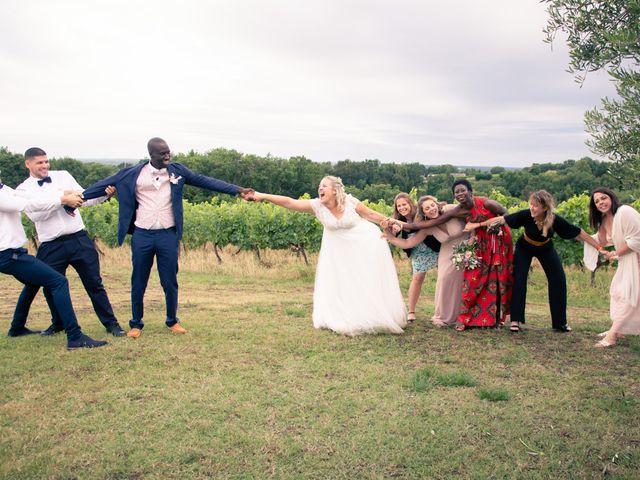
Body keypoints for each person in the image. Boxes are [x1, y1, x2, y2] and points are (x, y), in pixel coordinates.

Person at [81, 137, 255, 338]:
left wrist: (237, 190)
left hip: (168, 235)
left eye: (168, 152)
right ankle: (136, 323)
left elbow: (207, 181)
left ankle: (172, 321)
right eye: (162, 153)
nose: (167, 156)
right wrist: (77, 199)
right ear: (151, 155)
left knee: (169, 280)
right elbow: (102, 185)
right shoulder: (131, 174)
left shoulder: (178, 171)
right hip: (142, 234)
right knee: (138, 280)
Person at [252, 176, 406, 336]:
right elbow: (289, 202)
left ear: (334, 190)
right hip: (338, 254)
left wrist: (394, 222)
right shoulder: (317, 206)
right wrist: (263, 196)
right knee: (344, 283)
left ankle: (374, 312)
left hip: (363, 244)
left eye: (324, 186)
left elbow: (371, 215)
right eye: (319, 186)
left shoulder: (350, 201)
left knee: (364, 279)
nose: (320, 189)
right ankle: (348, 316)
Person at [10, 147, 125, 338]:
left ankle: (111, 324)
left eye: (46, 161)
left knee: (94, 284)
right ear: (27, 164)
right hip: (50, 244)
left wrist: (105, 195)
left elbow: (84, 200)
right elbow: (36, 215)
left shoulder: (63, 175)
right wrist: (62, 200)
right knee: (50, 287)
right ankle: (59, 323)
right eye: (39, 162)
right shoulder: (23, 190)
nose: (45, 166)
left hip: (79, 238)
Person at [467, 190, 600, 333]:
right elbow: (501, 220)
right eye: (531, 204)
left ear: (545, 208)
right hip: (524, 247)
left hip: (545, 248)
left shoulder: (554, 219)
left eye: (536, 206)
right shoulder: (526, 214)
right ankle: (516, 320)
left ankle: (560, 323)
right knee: (519, 279)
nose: (532, 208)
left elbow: (578, 233)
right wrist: (477, 225)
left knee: (558, 280)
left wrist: (599, 247)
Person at [1, 177, 108, 350]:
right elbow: (28, 205)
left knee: (32, 284)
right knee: (58, 281)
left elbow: (31, 199)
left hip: (15, 252)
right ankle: (75, 337)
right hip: (6, 254)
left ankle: (17, 328)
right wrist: (62, 199)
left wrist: (63, 194)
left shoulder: (4, 189)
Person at [397, 180, 513, 329]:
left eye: (462, 190)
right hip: (475, 245)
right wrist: (393, 225)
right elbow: (419, 226)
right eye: (457, 192)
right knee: (477, 281)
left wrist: (479, 229)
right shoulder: (455, 211)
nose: (460, 194)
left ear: (470, 191)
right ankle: (471, 317)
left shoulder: (485, 203)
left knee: (497, 278)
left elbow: (505, 216)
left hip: (493, 241)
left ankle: (498, 318)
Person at [385, 195, 467, 327]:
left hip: (455, 247)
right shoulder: (423, 226)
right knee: (439, 280)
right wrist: (390, 236)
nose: (431, 209)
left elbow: (469, 214)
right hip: (435, 251)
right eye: (427, 208)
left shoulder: (448, 209)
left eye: (432, 205)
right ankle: (440, 314)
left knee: (463, 279)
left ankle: (468, 313)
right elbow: (407, 241)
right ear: (423, 212)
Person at [584, 188, 640, 348]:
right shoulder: (604, 220)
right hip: (626, 261)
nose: (601, 202)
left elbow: (637, 239)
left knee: (629, 296)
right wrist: (581, 236)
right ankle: (618, 328)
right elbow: (601, 241)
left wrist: (614, 253)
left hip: (637, 260)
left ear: (611, 198)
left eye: (604, 198)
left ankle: (612, 335)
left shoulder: (625, 212)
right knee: (617, 292)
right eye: (597, 201)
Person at [390, 193, 441, 322]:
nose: (402, 208)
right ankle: (411, 311)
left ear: (410, 204)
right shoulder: (397, 219)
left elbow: (420, 225)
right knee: (417, 278)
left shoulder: (419, 214)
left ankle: (441, 309)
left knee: (443, 277)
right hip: (417, 252)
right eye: (399, 206)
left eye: (404, 204)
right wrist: (394, 230)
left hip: (434, 248)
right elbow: (393, 234)